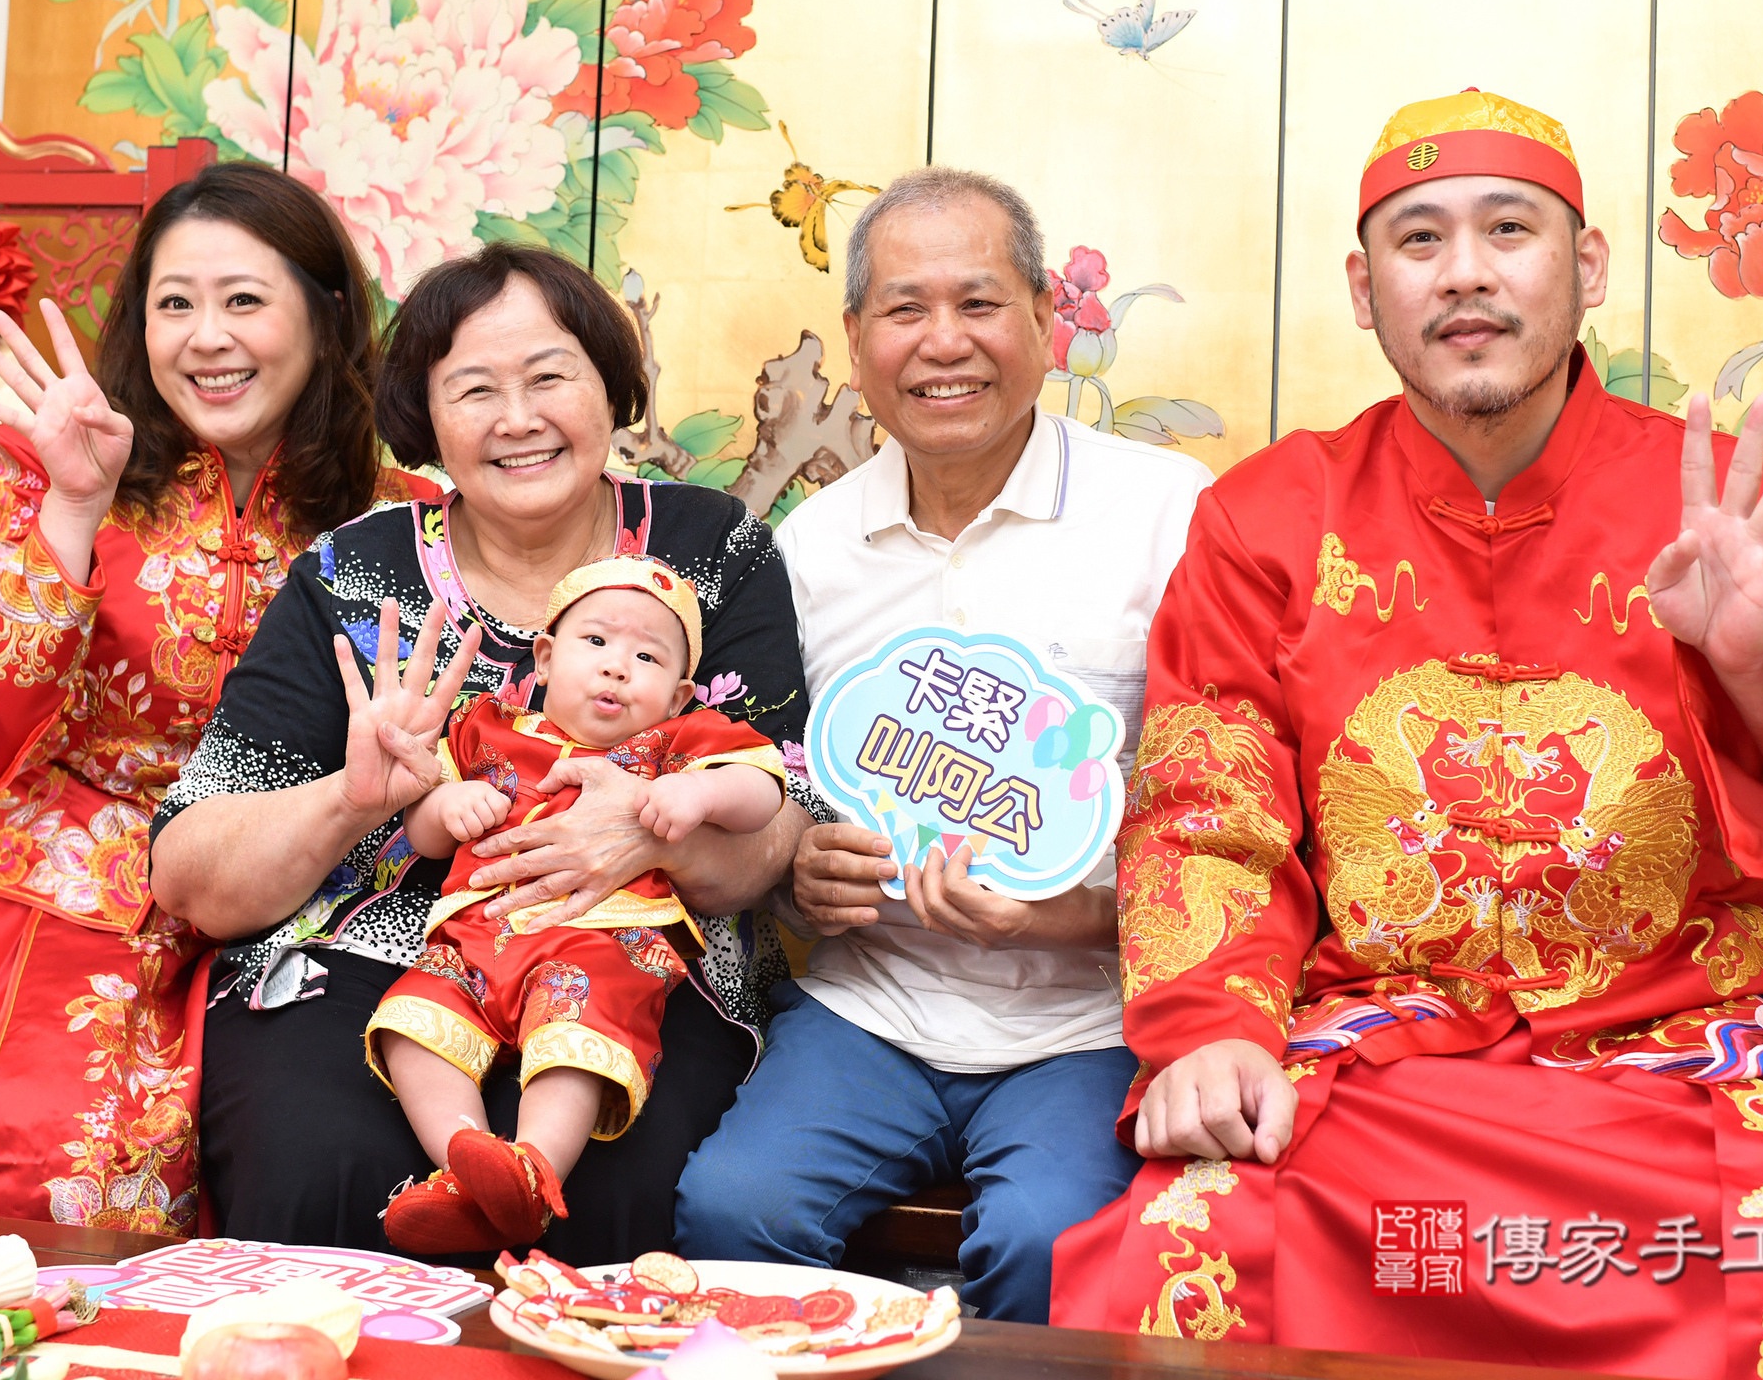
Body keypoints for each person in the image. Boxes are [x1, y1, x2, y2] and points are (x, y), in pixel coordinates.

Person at [1049, 90, 1763, 1378]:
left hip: (1689, 1058)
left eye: (1508, 229)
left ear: (1586, 266)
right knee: (1185, 1248)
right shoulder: (1270, 517)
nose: (1465, 274)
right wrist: (1211, 1026)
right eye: (1419, 239)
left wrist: (1755, 665)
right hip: (1378, 1055)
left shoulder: (1748, 511)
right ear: (1365, 289)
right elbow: (1207, 809)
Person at [0, 163, 423, 1229]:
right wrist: (73, 509)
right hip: (9, 900)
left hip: (279, 896)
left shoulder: (399, 521)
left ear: (326, 316)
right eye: (174, 304)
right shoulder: (52, 464)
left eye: (244, 300)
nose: (207, 338)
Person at [149, 243, 815, 1257]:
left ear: (610, 386)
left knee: (626, 1172)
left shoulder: (710, 549)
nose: (517, 419)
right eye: (474, 390)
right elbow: (189, 876)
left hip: (636, 948)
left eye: (549, 376)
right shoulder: (353, 572)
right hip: (380, 951)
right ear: (425, 416)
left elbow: (779, 825)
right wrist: (353, 799)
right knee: (316, 1154)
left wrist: (647, 834)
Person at [674, 168, 1214, 1324]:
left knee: (1049, 1242)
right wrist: (805, 869)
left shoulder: (1168, 512)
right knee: (732, 1210)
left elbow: (1234, 809)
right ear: (857, 340)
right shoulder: (806, 551)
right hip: (874, 1005)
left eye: (979, 302)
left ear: (1046, 318)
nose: (944, 342)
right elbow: (780, 790)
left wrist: (1070, 911)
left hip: (1088, 1019)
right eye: (905, 309)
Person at [370, 556, 786, 1253]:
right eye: (595, 642)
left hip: (599, 941)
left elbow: (763, 791)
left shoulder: (674, 744)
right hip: (475, 939)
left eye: (647, 657)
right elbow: (422, 831)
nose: (617, 666)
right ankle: (465, 1169)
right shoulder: (486, 728)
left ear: (680, 695)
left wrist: (699, 793)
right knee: (412, 1024)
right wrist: (447, 804)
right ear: (545, 657)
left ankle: (535, 1172)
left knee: (576, 1038)